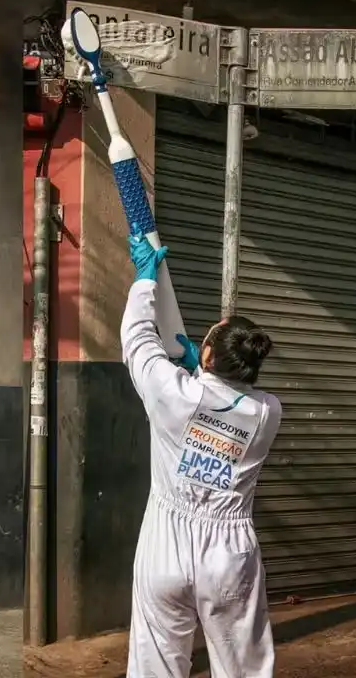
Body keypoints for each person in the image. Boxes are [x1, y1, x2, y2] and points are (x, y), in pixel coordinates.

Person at [121, 225, 283, 678]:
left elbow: (137, 339)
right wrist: (202, 365)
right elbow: (229, 397)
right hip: (229, 556)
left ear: (207, 353)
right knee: (244, 669)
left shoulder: (172, 393)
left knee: (154, 665)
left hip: (165, 547)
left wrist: (144, 279)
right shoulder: (268, 412)